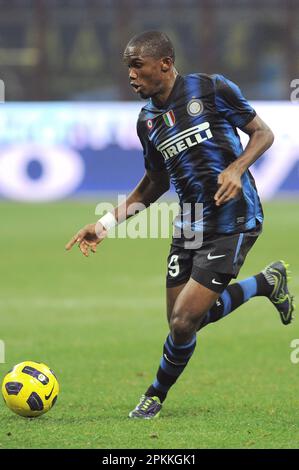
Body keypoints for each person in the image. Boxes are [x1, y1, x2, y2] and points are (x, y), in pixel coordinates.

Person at [66, 31, 294, 419]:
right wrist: (104, 224)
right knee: (182, 321)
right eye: (128, 68)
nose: (131, 76)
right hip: (189, 223)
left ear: (165, 64)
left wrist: (237, 168)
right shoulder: (148, 121)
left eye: (137, 66)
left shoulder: (211, 89)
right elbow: (154, 184)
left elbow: (263, 133)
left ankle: (155, 395)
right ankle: (265, 283)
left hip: (233, 218)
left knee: (184, 321)